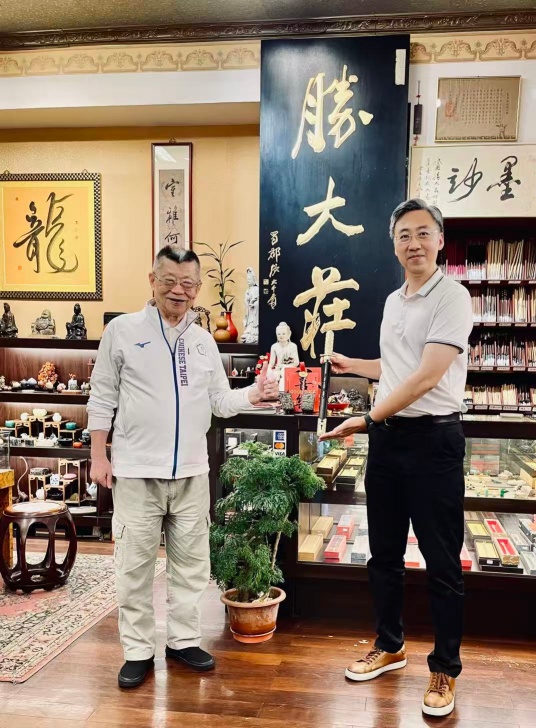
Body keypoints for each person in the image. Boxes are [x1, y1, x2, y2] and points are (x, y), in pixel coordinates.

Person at [87, 245, 279, 689]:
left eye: (188, 284)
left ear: (197, 288)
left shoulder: (203, 341)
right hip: (137, 472)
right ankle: (138, 650)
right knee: (134, 567)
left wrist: (253, 394)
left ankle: (183, 640)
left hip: (192, 473)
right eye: (170, 281)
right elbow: (102, 395)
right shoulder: (122, 331)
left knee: (191, 566)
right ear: (152, 280)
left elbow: (219, 401)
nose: (179, 291)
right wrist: (99, 454)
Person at [320, 199, 472, 717]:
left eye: (423, 233)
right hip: (389, 442)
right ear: (393, 244)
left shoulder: (453, 297)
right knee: (383, 554)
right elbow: (397, 365)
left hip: (434, 442)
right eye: (404, 235)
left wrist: (367, 419)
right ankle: (390, 645)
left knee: (442, 562)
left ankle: (445, 668)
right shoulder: (393, 301)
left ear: (440, 240)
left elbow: (427, 376)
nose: (414, 243)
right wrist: (354, 364)